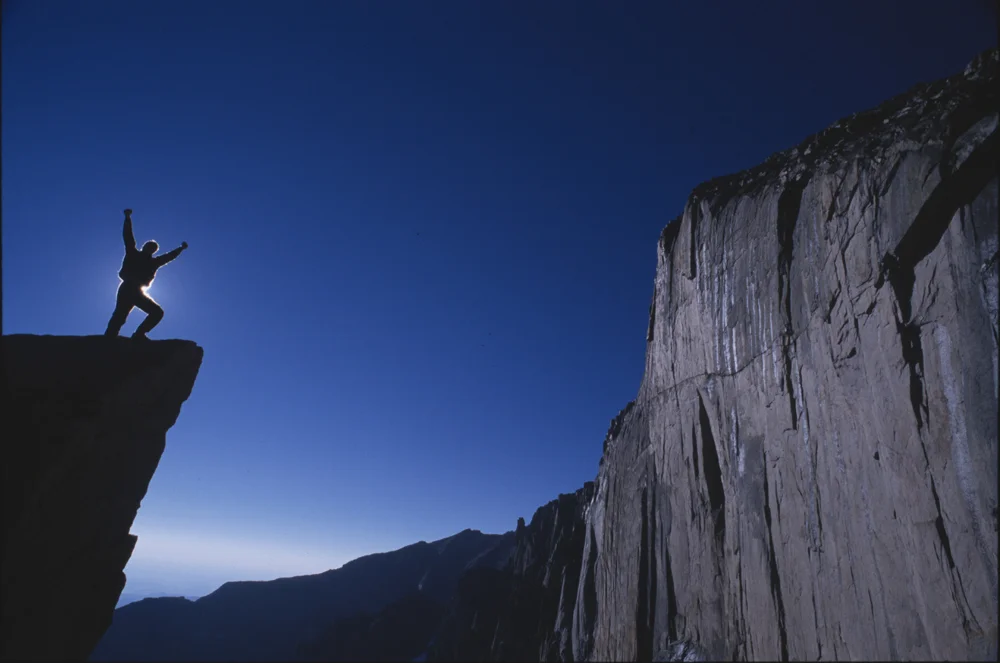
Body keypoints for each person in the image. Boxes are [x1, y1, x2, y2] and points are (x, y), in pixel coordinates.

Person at [104, 208, 189, 339]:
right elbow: (128, 237)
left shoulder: (153, 263)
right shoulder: (133, 253)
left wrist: (180, 249)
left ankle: (139, 334)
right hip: (127, 288)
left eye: (153, 248)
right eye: (149, 246)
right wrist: (127, 218)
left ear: (153, 251)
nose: (150, 249)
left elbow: (168, 257)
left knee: (157, 312)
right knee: (119, 316)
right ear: (144, 247)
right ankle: (108, 339)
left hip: (138, 291)